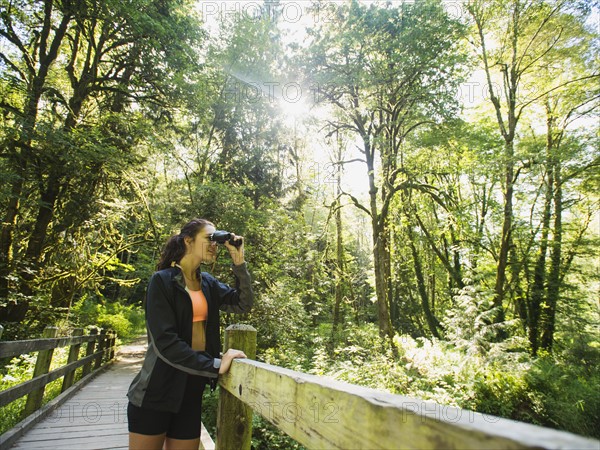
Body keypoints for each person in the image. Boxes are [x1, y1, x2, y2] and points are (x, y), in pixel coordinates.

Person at [127, 218, 253, 450]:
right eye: (209, 239)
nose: (214, 245)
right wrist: (216, 364)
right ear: (188, 241)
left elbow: (243, 303)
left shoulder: (208, 283)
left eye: (217, 240)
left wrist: (239, 262)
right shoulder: (162, 281)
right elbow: (166, 343)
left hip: (191, 391)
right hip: (157, 392)